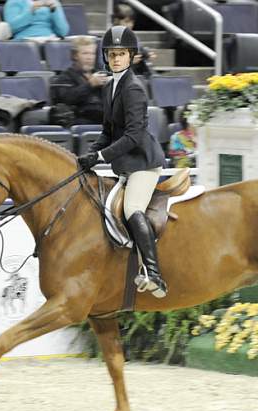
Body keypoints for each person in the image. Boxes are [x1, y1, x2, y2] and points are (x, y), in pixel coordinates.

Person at [77, 26, 168, 298]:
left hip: (143, 163)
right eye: (112, 54)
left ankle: (154, 274)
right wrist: (89, 153)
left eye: (122, 54)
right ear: (106, 57)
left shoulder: (134, 88)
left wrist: (102, 157)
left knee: (131, 209)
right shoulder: (110, 87)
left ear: (131, 56)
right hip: (126, 164)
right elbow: (108, 131)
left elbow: (133, 135)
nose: (116, 59)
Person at [50, 36, 108, 125]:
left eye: (92, 54)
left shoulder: (101, 75)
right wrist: (90, 84)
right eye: (85, 53)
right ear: (75, 56)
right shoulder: (64, 77)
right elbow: (66, 99)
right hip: (81, 120)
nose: (90, 58)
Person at [112, 3, 156, 78]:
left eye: (132, 22)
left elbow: (141, 51)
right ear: (116, 21)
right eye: (126, 21)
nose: (130, 25)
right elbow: (106, 68)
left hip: (136, 76)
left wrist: (147, 55)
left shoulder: (135, 38)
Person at [4, 0, 69, 42]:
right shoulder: (13, 1)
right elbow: (11, 28)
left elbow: (63, 32)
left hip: (49, 41)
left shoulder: (52, 2)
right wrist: (31, 11)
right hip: (24, 40)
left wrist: (55, 10)